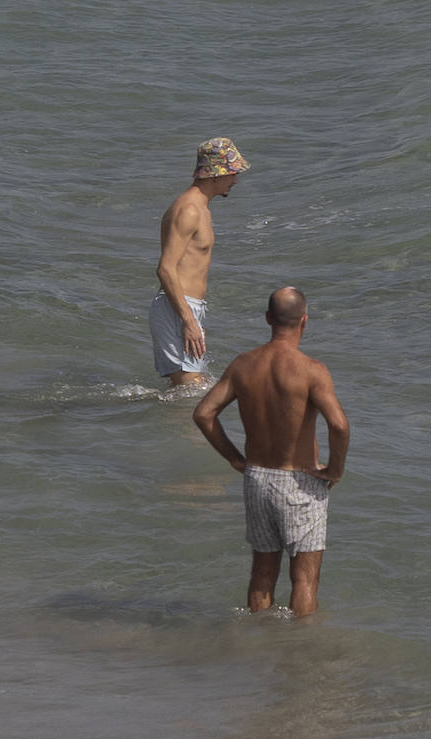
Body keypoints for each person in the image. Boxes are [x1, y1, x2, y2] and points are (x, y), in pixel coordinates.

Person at [191, 287, 350, 616]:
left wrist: (235, 459)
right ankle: (299, 646)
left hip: (257, 479)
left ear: (267, 319)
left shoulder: (243, 365)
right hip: (299, 481)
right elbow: (339, 426)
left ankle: (258, 642)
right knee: (304, 579)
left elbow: (204, 414)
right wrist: (334, 471)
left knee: (262, 575)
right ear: (304, 321)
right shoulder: (312, 370)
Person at [152, 137, 250, 385]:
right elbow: (165, 269)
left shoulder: (201, 208)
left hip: (186, 307)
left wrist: (193, 318)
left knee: (194, 388)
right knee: (189, 389)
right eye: (233, 173)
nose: (235, 180)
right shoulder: (189, 211)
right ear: (215, 175)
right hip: (177, 307)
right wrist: (188, 320)